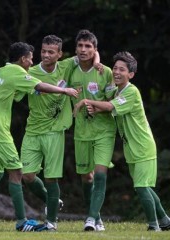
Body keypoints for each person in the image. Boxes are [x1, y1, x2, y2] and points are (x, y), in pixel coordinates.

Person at [0, 42, 78, 232]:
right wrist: (64, 90)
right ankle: (22, 222)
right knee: (17, 173)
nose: (32, 61)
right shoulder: (17, 72)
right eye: (30, 58)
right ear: (22, 59)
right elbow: (40, 85)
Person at [76, 51, 170, 232]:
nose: (117, 72)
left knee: (142, 187)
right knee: (144, 188)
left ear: (131, 74)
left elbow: (111, 106)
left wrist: (86, 101)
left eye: (122, 69)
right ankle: (165, 220)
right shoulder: (115, 90)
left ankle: (154, 226)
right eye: (115, 68)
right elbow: (107, 100)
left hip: (143, 146)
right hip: (131, 148)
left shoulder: (132, 91)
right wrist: (96, 60)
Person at [20, 35, 80, 231]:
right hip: (33, 130)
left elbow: (90, 52)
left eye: (50, 52)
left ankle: (51, 223)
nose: (45, 55)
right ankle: (52, 200)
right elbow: (11, 89)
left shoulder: (66, 66)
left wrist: (96, 63)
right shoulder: (31, 72)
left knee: (51, 177)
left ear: (59, 54)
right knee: (27, 175)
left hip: (55, 131)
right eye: (43, 51)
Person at [68, 29, 116, 231]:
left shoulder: (105, 72)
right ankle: (94, 216)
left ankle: (91, 218)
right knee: (86, 177)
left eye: (88, 46)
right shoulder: (70, 69)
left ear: (95, 49)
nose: (83, 49)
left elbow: (114, 100)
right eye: (80, 45)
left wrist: (97, 106)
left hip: (104, 130)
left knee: (100, 174)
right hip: (81, 131)